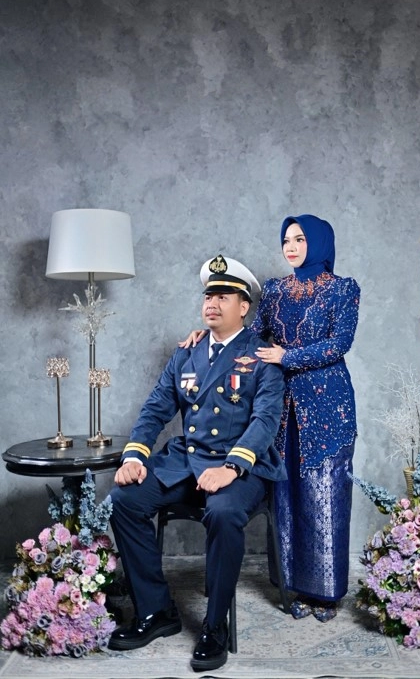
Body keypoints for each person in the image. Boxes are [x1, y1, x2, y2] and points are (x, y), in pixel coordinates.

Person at [108, 255, 286, 672]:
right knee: (123, 500)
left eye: (223, 296)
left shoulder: (263, 356)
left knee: (223, 513)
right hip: (187, 461)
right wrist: (135, 455)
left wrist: (231, 467)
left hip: (241, 466)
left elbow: (265, 421)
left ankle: (215, 625)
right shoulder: (186, 353)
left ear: (244, 307)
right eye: (208, 295)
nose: (212, 303)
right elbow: (156, 408)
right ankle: (156, 611)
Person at [180, 215, 360, 623]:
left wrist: (287, 356)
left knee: (325, 494)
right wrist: (206, 335)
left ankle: (326, 593)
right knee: (285, 494)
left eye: (299, 239)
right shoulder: (276, 290)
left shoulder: (343, 289)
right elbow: (252, 333)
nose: (291, 247)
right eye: (286, 240)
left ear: (319, 242)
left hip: (327, 406)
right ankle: (291, 586)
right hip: (278, 406)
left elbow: (339, 343)